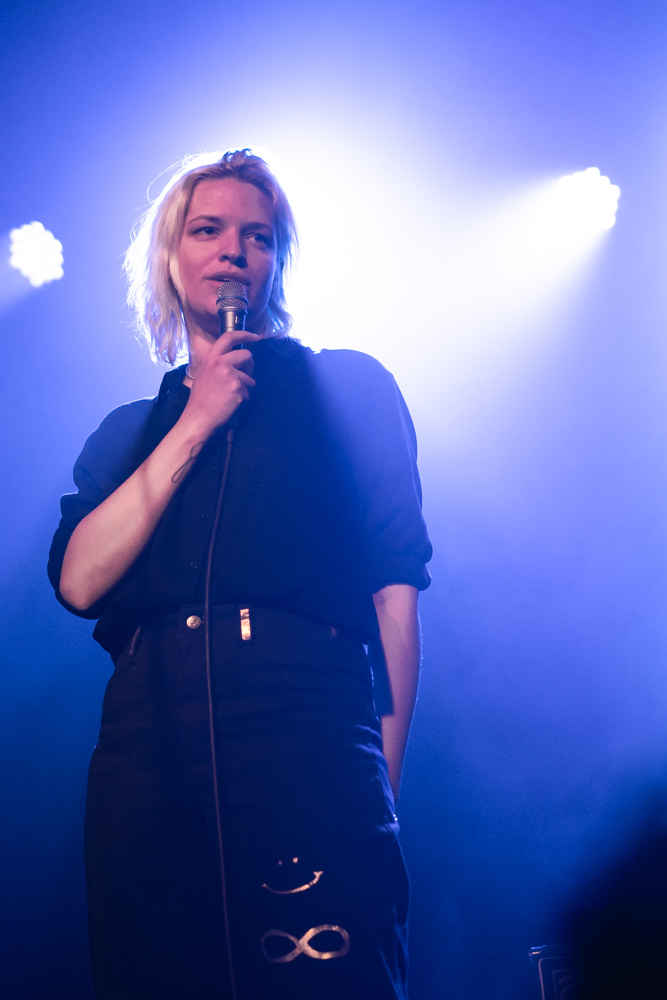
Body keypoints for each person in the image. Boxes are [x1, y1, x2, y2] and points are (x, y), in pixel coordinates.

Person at [48, 149, 432, 1000]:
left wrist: (382, 775)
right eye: (207, 230)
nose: (232, 250)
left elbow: (393, 587)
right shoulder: (129, 430)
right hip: (149, 734)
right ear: (169, 257)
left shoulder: (346, 388)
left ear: (276, 263)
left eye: (257, 237)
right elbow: (78, 582)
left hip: (305, 711)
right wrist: (197, 418)